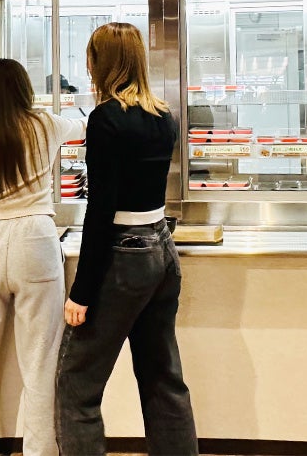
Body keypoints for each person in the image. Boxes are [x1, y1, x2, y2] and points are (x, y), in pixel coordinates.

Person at [55, 23, 198, 456]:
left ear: (101, 63)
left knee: (76, 384)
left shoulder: (105, 119)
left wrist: (81, 291)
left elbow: (102, 209)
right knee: (163, 379)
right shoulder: (163, 116)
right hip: (161, 248)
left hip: (123, 253)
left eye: (90, 57)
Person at [0, 58, 86, 456]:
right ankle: (42, 451)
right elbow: (84, 126)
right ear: (24, 90)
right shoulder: (44, 124)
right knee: (41, 362)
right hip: (36, 240)